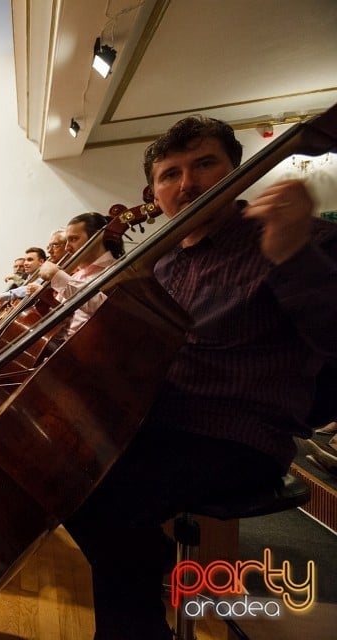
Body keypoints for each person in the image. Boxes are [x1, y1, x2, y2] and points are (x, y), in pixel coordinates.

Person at [61, 115, 337, 640]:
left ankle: (134, 626)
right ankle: (142, 574)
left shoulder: (303, 237)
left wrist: (293, 257)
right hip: (158, 424)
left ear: (235, 171)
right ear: (155, 191)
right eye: (170, 174)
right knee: (60, 467)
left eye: (204, 164)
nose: (186, 184)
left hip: (238, 436)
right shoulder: (160, 264)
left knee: (106, 494)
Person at [30, 214, 123, 339]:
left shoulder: (119, 271)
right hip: (64, 347)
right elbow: (65, 321)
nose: (67, 248)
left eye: (73, 239)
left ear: (97, 237)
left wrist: (57, 276)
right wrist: (47, 301)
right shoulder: (77, 276)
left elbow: (108, 309)